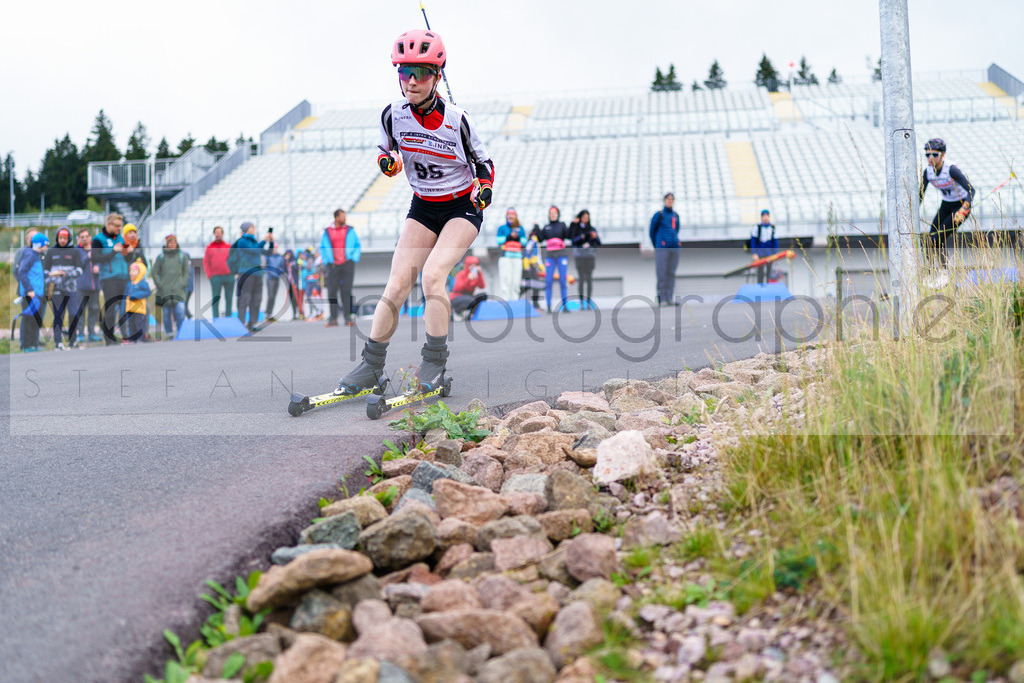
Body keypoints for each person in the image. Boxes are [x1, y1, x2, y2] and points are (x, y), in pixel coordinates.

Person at [334, 28, 494, 397]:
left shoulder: (457, 119)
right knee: (397, 282)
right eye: (404, 72)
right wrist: (387, 162)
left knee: (433, 276)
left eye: (421, 73)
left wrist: (484, 187)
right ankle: (372, 365)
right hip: (423, 206)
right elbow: (385, 150)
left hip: (460, 207)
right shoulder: (392, 115)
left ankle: (434, 363)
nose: (411, 81)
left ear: (438, 76)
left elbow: (484, 164)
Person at [920, 138, 974, 268]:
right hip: (946, 205)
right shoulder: (928, 172)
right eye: (927, 154)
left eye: (935, 154)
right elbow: (920, 195)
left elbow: (971, 190)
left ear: (942, 155)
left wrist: (964, 208)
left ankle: (944, 270)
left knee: (937, 238)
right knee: (930, 239)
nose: (930, 158)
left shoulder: (951, 169)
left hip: (960, 206)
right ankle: (930, 271)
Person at [42, 227, 85, 350]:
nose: (62, 240)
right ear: (57, 238)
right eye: (60, 238)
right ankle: (58, 343)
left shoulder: (74, 251)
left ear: (68, 239)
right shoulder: (51, 251)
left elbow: (80, 270)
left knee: (73, 313)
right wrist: (53, 275)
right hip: (56, 289)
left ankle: (73, 340)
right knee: (58, 315)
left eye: (65, 238)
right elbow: (45, 271)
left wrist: (67, 273)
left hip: (70, 289)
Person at [91, 213, 129, 344]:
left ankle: (125, 335)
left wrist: (129, 252)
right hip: (109, 278)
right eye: (117, 225)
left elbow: (125, 257)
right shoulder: (98, 239)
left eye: (121, 226)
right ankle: (108, 338)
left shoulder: (120, 238)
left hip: (123, 276)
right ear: (108, 224)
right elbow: (95, 258)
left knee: (124, 307)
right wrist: (113, 251)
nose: (119, 228)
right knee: (111, 307)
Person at [320, 209, 362, 327]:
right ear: (336, 217)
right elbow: (322, 247)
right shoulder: (327, 232)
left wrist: (353, 258)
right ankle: (333, 318)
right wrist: (327, 260)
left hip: (347, 263)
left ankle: (347, 316)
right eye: (343, 216)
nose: (345, 218)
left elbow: (357, 245)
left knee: (346, 290)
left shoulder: (350, 230)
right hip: (333, 265)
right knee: (332, 291)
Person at [227, 221, 270, 331]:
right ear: (246, 229)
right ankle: (241, 323)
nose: (253, 229)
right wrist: (264, 241)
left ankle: (252, 323)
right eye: (251, 227)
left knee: (257, 299)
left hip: (257, 273)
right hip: (245, 273)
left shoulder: (254, 241)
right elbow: (255, 251)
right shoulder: (242, 241)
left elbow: (267, 253)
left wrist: (271, 242)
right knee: (244, 298)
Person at [151, 234, 191, 339]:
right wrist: (161, 284)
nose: (172, 244)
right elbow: (155, 273)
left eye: (174, 242)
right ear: (166, 244)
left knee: (180, 312)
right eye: (170, 242)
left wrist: (182, 283)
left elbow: (186, 272)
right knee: (166, 313)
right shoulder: (161, 257)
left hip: (179, 290)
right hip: (164, 291)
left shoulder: (182, 257)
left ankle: (181, 332)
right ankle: (169, 333)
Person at [16, 233, 49, 352]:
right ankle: (26, 345)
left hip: (38, 294)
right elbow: (22, 273)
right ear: (40, 244)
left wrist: (51, 274)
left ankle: (34, 343)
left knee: (36, 320)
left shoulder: (37, 256)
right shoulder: (30, 255)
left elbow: (36, 274)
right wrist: (29, 289)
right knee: (29, 320)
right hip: (30, 294)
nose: (47, 247)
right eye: (46, 244)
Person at [650, 192, 681, 306]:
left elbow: (676, 229)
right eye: (668, 199)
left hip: (674, 248)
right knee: (661, 273)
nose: (670, 201)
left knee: (671, 273)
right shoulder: (659, 215)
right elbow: (651, 231)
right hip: (662, 248)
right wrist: (658, 244)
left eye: (672, 199)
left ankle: (669, 298)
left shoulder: (675, 216)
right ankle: (662, 298)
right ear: (664, 201)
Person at [539, 206, 570, 313]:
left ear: (557, 214)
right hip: (550, 256)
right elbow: (540, 238)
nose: (552, 215)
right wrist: (536, 227)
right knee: (548, 281)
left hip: (561, 254)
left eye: (554, 213)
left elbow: (568, 235)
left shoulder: (562, 225)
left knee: (562, 280)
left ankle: (565, 305)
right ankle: (548, 306)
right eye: (550, 213)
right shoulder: (546, 227)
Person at [569, 209, 601, 309]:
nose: (586, 219)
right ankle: (582, 302)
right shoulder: (576, 229)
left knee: (589, 278)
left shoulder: (592, 229)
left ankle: (588, 301)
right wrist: (583, 236)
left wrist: (594, 237)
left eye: (587, 218)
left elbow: (599, 242)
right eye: (584, 218)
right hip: (580, 257)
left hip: (589, 256)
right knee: (581, 278)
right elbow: (572, 240)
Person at [75, 228, 102, 343]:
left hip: (94, 285)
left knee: (94, 310)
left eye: (87, 236)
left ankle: (92, 333)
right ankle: (80, 333)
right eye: (82, 236)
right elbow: (78, 264)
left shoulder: (96, 249)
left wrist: (99, 268)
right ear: (79, 238)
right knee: (80, 311)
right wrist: (88, 257)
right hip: (81, 286)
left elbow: (103, 261)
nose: (85, 238)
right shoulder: (76, 251)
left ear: (90, 237)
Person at [203, 226, 234, 318]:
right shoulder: (209, 247)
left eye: (220, 232)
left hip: (229, 276)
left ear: (223, 234)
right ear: (214, 234)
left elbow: (234, 260)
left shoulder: (228, 246)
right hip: (216, 277)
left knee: (229, 298)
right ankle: (216, 318)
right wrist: (209, 275)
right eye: (217, 232)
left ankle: (228, 317)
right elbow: (206, 262)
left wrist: (234, 272)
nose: (218, 234)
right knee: (216, 298)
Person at [496, 208, 525, 303]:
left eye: (512, 214)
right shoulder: (502, 228)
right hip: (505, 257)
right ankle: (505, 301)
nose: (510, 216)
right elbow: (499, 241)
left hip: (517, 257)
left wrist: (518, 237)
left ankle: (515, 300)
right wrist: (509, 236)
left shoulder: (521, 229)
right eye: (509, 214)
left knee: (516, 281)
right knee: (506, 279)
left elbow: (524, 242)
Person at [449, 255, 488, 320]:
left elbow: (482, 286)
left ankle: (471, 314)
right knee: (471, 300)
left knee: (483, 296)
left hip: (469, 297)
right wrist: (468, 279)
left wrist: (480, 274)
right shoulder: (461, 274)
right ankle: (457, 311)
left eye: (475, 265)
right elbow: (458, 288)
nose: (473, 267)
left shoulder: (475, 275)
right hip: (457, 297)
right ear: (467, 266)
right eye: (471, 265)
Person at [748, 209, 778, 284]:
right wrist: (754, 253)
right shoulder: (757, 227)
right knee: (760, 272)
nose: (765, 218)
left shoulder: (772, 228)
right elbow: (753, 241)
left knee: (769, 271)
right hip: (760, 252)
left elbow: (775, 242)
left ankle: (768, 287)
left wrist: (775, 254)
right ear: (761, 217)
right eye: (764, 216)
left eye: (767, 216)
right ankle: (760, 287)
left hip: (769, 253)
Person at [123, 262, 152, 342]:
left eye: (134, 270)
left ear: (140, 271)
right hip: (130, 309)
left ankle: (140, 339)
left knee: (139, 324)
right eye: (130, 270)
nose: (131, 272)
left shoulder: (142, 283)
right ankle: (132, 339)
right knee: (131, 324)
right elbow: (126, 296)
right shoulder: (129, 284)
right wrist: (123, 308)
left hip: (139, 309)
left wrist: (136, 296)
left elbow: (148, 292)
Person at [521, 225, 544, 310]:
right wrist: (526, 266)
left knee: (531, 285)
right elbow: (527, 253)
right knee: (531, 285)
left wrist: (541, 267)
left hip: (533, 266)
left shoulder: (536, 242)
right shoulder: (533, 241)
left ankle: (534, 304)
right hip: (530, 266)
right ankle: (535, 304)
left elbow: (537, 256)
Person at [262, 239, 285, 323]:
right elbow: (265, 267)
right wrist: (271, 272)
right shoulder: (268, 256)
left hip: (277, 278)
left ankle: (270, 314)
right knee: (270, 295)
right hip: (270, 278)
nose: (275, 249)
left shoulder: (280, 257)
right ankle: (267, 314)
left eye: (276, 247)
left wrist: (279, 272)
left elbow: (282, 267)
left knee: (274, 296)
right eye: (274, 247)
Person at [282, 249, 302, 320]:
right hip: (289, 282)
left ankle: (300, 313)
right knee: (291, 298)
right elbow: (284, 269)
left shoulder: (295, 260)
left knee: (297, 297)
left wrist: (292, 266)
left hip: (295, 281)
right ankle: (294, 314)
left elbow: (298, 268)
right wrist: (285, 261)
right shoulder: (286, 261)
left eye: (289, 254)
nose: (288, 255)